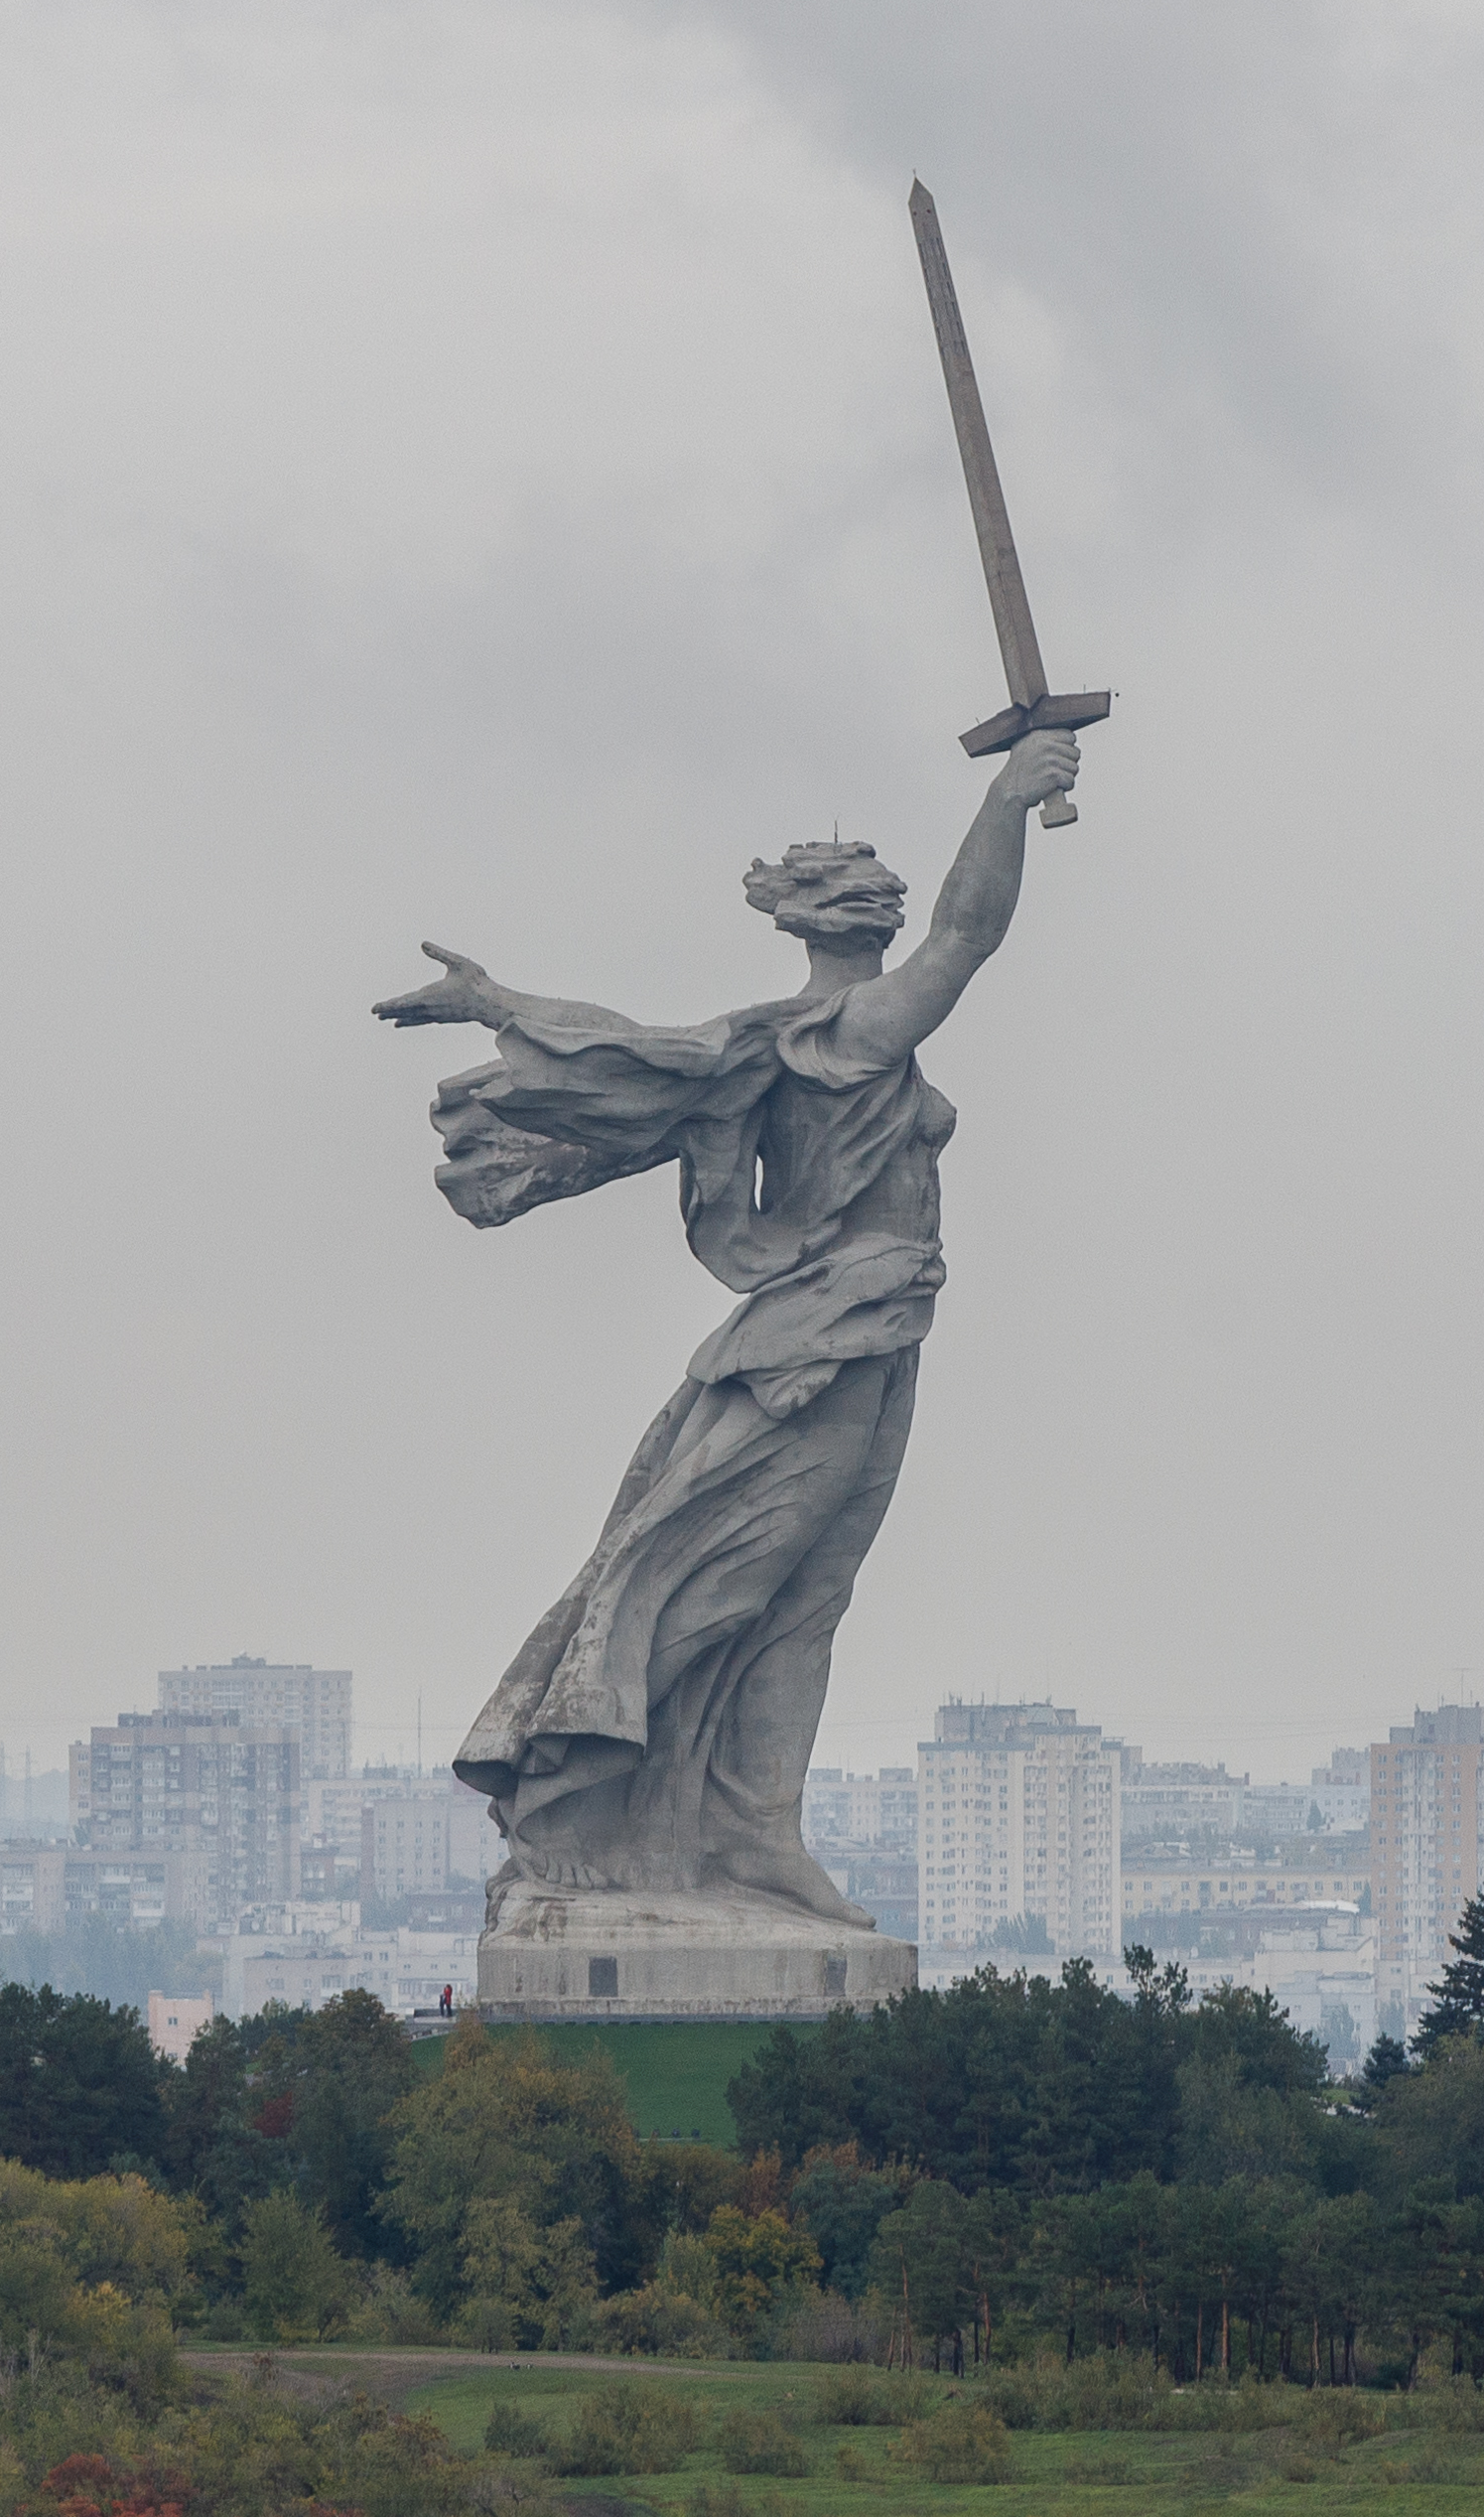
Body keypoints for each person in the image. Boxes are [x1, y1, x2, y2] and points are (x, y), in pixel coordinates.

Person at [377, 726, 1085, 1926]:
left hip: (867, 1335)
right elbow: (967, 938)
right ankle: (585, 1798)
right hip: (819, 1343)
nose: (888, 901)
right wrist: (1008, 802)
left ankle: (755, 1829)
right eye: (869, 891)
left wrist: (495, 998)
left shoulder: (776, 1040)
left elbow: (638, 1058)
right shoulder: (841, 1035)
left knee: (803, 1597)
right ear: (840, 921)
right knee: (719, 1577)